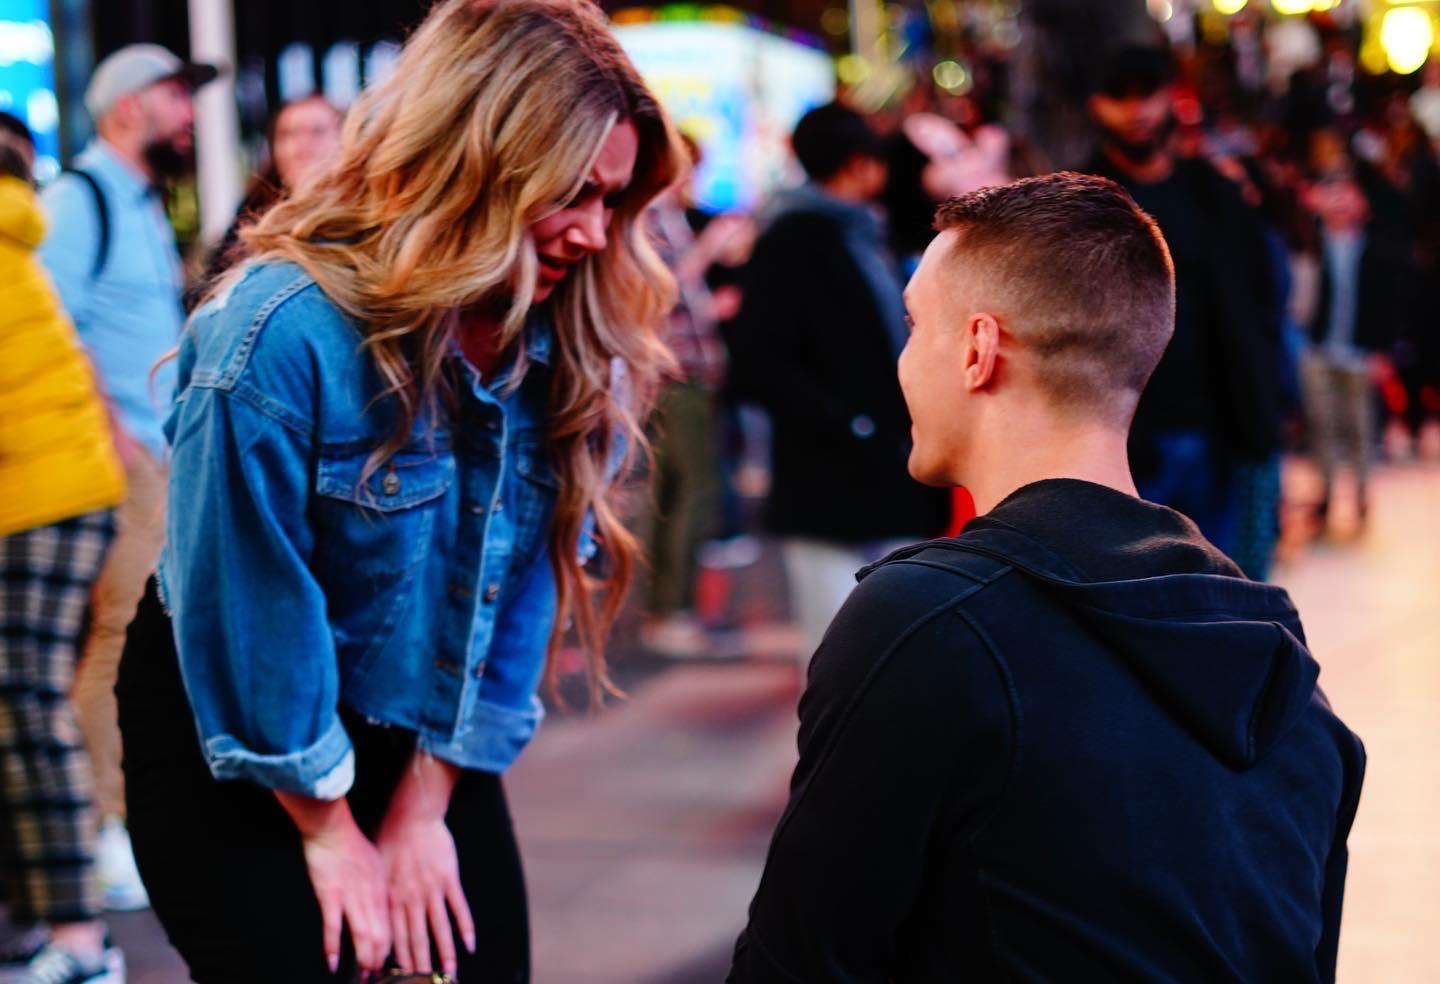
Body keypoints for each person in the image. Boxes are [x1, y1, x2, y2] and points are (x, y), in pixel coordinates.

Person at [113, 1, 683, 981]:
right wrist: (329, 829)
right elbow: (250, 609)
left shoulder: (574, 339)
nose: (596, 233)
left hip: (424, 726)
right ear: (474, 162)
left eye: (613, 200)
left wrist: (422, 811)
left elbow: (517, 601)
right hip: (242, 727)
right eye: (572, 194)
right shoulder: (277, 333)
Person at [729, 172, 1365, 983]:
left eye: (915, 325)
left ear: (978, 350)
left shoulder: (925, 625)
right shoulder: (1291, 686)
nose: (901, 360)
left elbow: (794, 965)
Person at [37, 43, 217, 912]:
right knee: (116, 639)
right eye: (172, 95)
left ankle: (118, 821)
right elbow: (46, 324)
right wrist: (114, 437)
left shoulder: (137, 201)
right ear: (123, 107)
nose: (187, 113)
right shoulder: (81, 199)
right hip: (121, 460)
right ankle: (105, 828)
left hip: (154, 455)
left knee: (137, 639)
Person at [727, 102, 950, 658]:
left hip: (888, 474)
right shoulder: (796, 239)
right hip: (827, 483)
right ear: (858, 163)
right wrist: (851, 423)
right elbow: (759, 363)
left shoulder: (866, 233)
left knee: (900, 648)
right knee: (840, 653)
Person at [0, 113, 128, 984]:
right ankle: (37, 916)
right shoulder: (15, 235)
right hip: (61, 487)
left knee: (25, 697)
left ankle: (80, 937)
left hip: (40, 496)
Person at [1086, 44, 1286, 569]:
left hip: (1220, 428)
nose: (1137, 111)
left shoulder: (1215, 193)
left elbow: (1262, 303)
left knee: (1227, 587)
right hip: (1123, 436)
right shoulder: (1082, 205)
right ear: (1096, 104)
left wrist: (1266, 405)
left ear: (1169, 97)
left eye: (1147, 94)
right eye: (1120, 96)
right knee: (1138, 593)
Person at [199, 94, 343, 291]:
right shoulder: (252, 214)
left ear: (345, 141)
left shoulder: (361, 215)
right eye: (287, 134)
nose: (301, 144)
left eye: (316, 131)